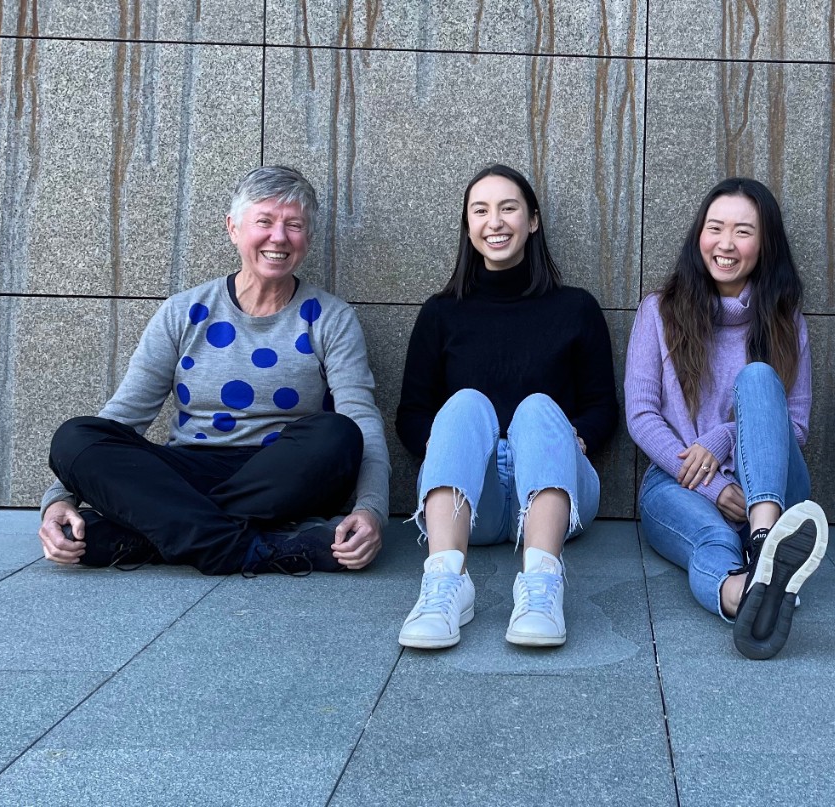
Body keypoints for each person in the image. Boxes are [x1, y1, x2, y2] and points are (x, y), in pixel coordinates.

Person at [37, 165, 390, 575]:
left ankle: (154, 534)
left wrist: (371, 512)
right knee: (75, 436)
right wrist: (59, 500)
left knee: (339, 432)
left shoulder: (330, 317)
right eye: (265, 221)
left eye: (294, 225)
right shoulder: (183, 312)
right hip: (184, 471)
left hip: (282, 475)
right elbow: (123, 417)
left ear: (307, 238)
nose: (279, 237)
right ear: (233, 228)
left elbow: (361, 421)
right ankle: (257, 548)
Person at [394, 164, 618, 650]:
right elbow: (411, 414)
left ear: (532, 221)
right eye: (481, 211)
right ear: (468, 226)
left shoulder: (576, 308)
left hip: (557, 482)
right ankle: (444, 585)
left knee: (537, 408)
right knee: (465, 404)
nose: (494, 221)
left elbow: (603, 406)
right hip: (472, 500)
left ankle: (542, 586)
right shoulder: (441, 312)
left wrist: (577, 436)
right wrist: (439, 439)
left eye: (508, 208)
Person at [625, 177, 828, 661]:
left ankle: (764, 541)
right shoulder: (659, 310)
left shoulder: (784, 318)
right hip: (678, 482)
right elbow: (641, 414)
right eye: (715, 228)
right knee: (713, 538)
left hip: (774, 490)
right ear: (700, 236)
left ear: (764, 244)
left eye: (743, 231)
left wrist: (720, 437)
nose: (726, 244)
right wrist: (714, 488)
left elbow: (794, 427)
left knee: (758, 379)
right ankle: (746, 595)